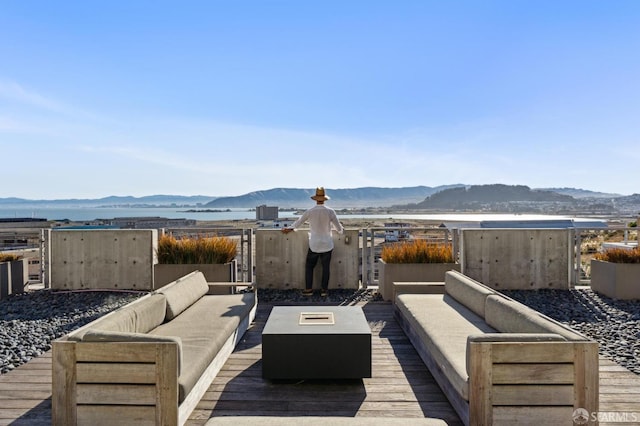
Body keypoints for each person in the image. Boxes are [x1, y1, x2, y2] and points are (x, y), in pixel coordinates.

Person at [282, 187, 344, 296]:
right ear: (324, 199)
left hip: (314, 244)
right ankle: (324, 290)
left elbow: (298, 223)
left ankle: (308, 289)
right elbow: (339, 229)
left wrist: (289, 229)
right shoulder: (330, 211)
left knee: (309, 266)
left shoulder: (310, 211)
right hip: (327, 244)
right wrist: (341, 230)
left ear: (315, 199)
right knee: (326, 268)